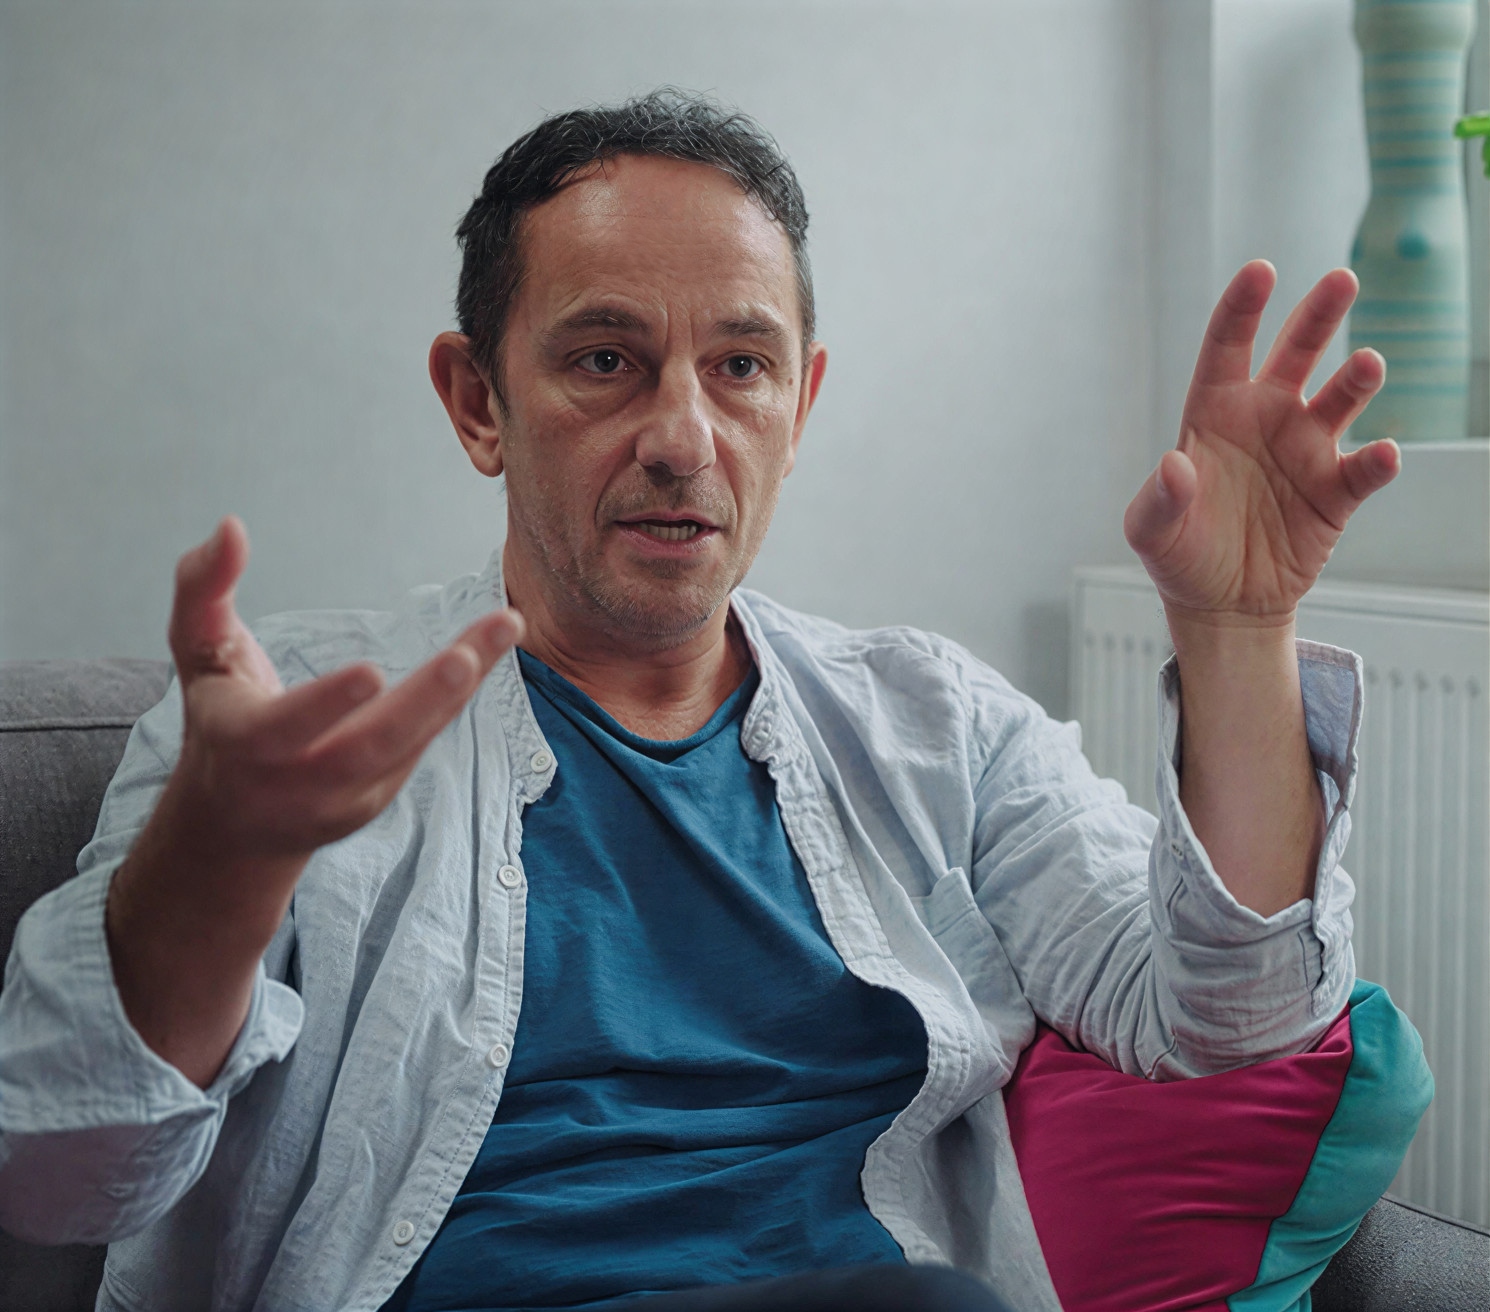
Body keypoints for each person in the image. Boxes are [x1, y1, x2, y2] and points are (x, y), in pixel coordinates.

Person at [0, 90, 1398, 1312]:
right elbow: (57, 1173)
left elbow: (1230, 1022)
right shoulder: (280, 734)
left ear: (801, 403)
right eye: (604, 360)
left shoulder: (936, 728)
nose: (682, 438)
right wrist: (220, 871)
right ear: (478, 401)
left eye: (741, 366)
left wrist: (1237, 631)